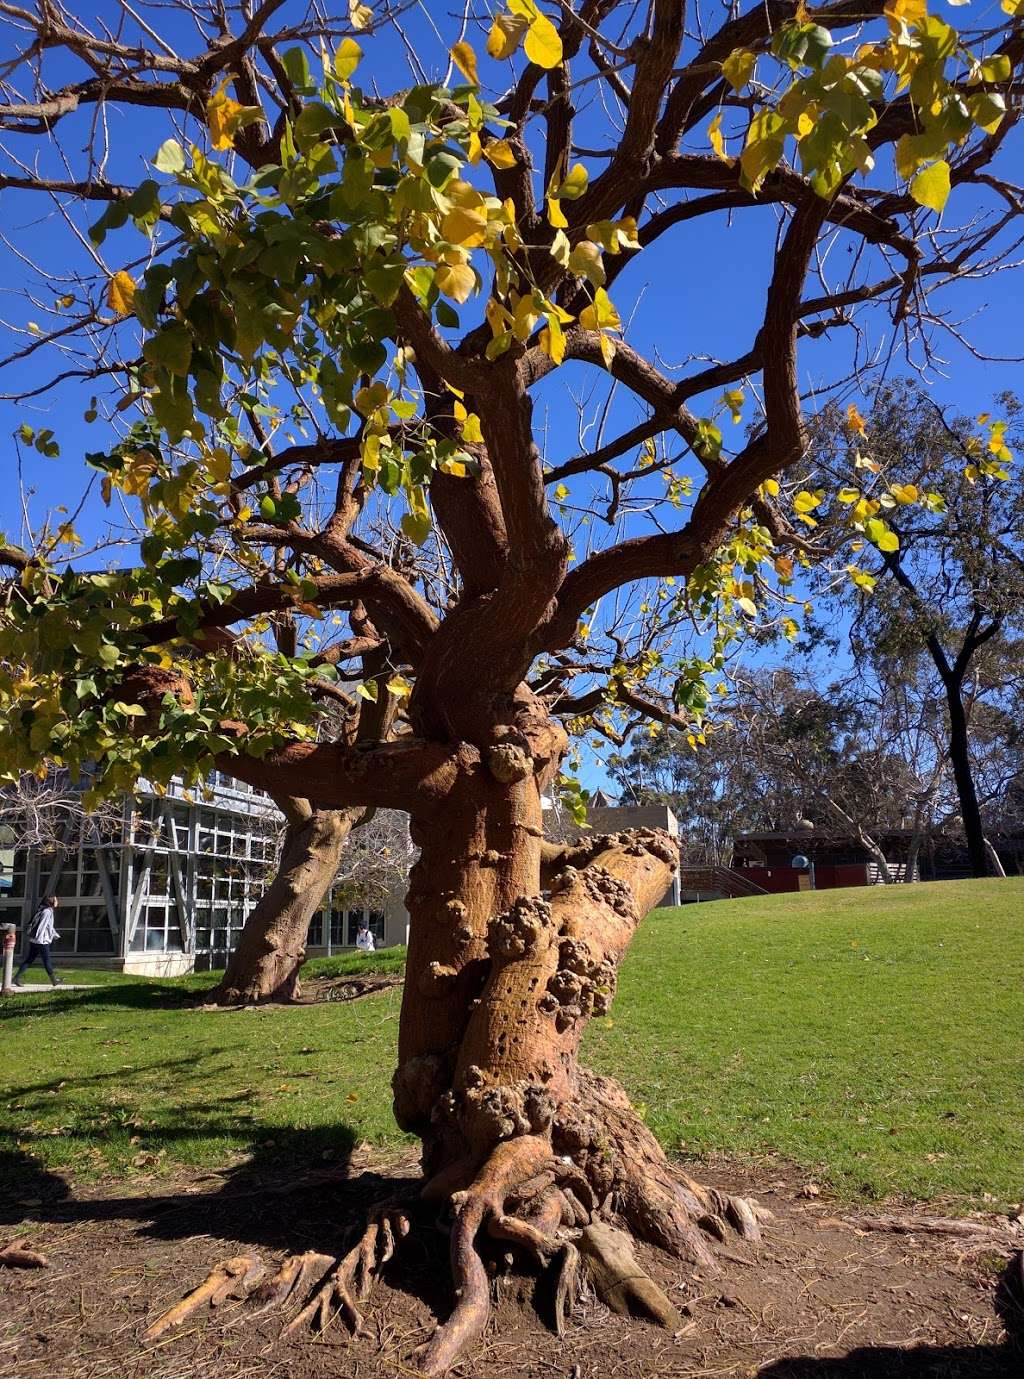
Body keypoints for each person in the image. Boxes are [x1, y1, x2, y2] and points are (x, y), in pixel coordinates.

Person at [12, 895, 65, 988]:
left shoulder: (43, 910)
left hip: (35, 940)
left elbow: (49, 926)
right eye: (56, 900)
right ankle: (54, 981)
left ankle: (16, 978)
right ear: (51, 902)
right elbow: (42, 926)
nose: (57, 902)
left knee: (29, 959)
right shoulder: (47, 911)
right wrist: (40, 940)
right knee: (47, 961)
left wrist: (55, 934)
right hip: (41, 941)